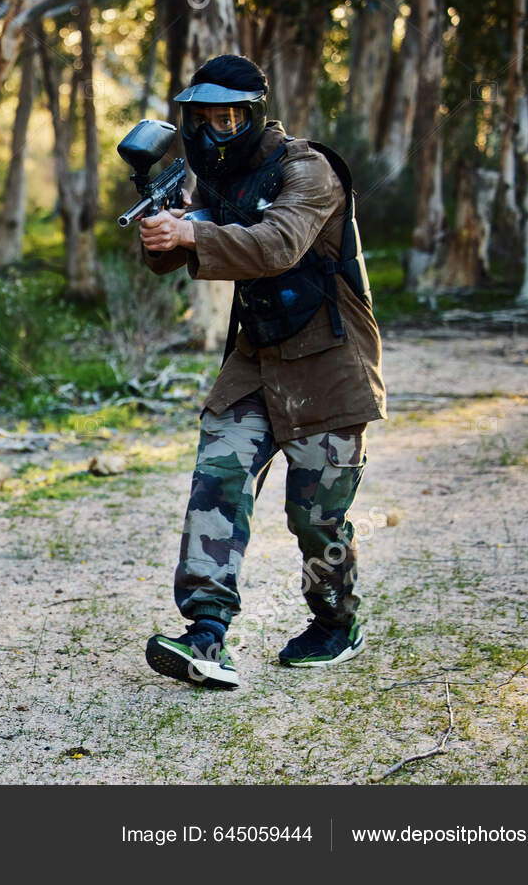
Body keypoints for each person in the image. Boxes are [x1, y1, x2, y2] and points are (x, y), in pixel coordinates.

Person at [135, 54, 386, 689]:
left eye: (230, 117)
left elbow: (276, 246)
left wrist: (192, 235)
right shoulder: (211, 179)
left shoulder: (309, 170)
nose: (217, 130)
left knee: (315, 518)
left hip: (329, 360)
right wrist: (165, 232)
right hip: (256, 358)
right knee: (216, 481)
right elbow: (175, 257)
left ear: (253, 115)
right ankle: (206, 633)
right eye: (205, 119)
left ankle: (336, 623)